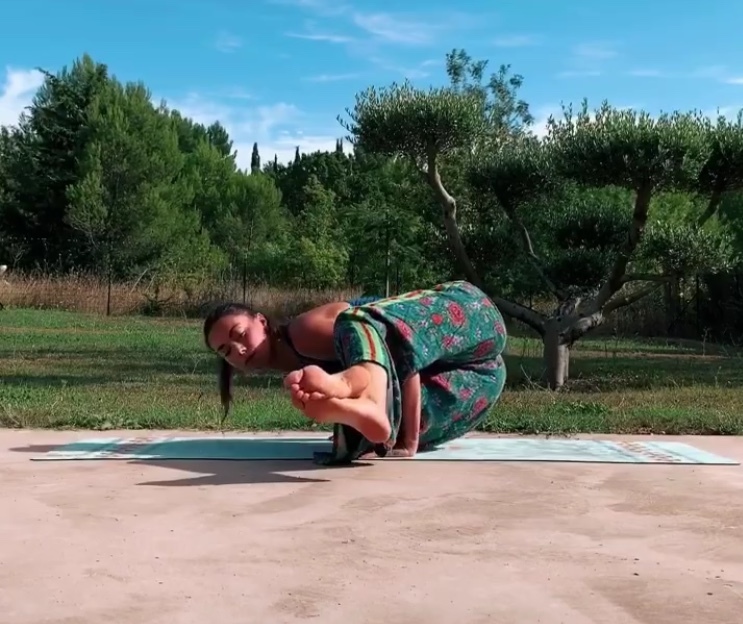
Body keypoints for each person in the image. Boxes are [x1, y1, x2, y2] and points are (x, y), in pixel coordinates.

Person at [202, 280, 508, 464]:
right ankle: (362, 409)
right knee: (376, 426)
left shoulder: (303, 331)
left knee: (353, 323)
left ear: (262, 321)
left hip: (473, 314)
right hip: (486, 380)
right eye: (226, 351)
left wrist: (409, 442)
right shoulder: (298, 371)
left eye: (240, 334)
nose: (238, 350)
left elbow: (402, 350)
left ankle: (358, 392)